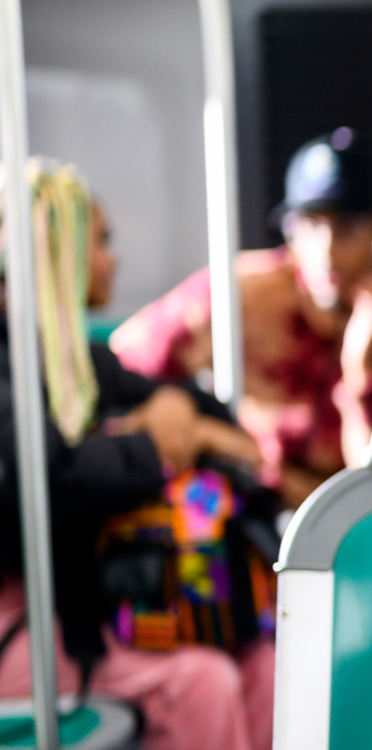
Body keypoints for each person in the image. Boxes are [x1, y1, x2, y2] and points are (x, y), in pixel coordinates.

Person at [0, 162, 274, 750]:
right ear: (55, 254)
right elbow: (46, 484)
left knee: (265, 667)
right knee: (201, 684)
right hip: (27, 623)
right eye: (98, 242)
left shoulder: (79, 364)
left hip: (89, 606)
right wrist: (150, 443)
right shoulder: (12, 371)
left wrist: (184, 426)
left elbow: (200, 409)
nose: (111, 260)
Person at [111, 129, 372, 507]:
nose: (326, 251)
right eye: (309, 225)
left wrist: (362, 379)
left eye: (348, 227)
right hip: (250, 507)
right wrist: (175, 405)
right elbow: (117, 371)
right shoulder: (239, 297)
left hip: (357, 528)